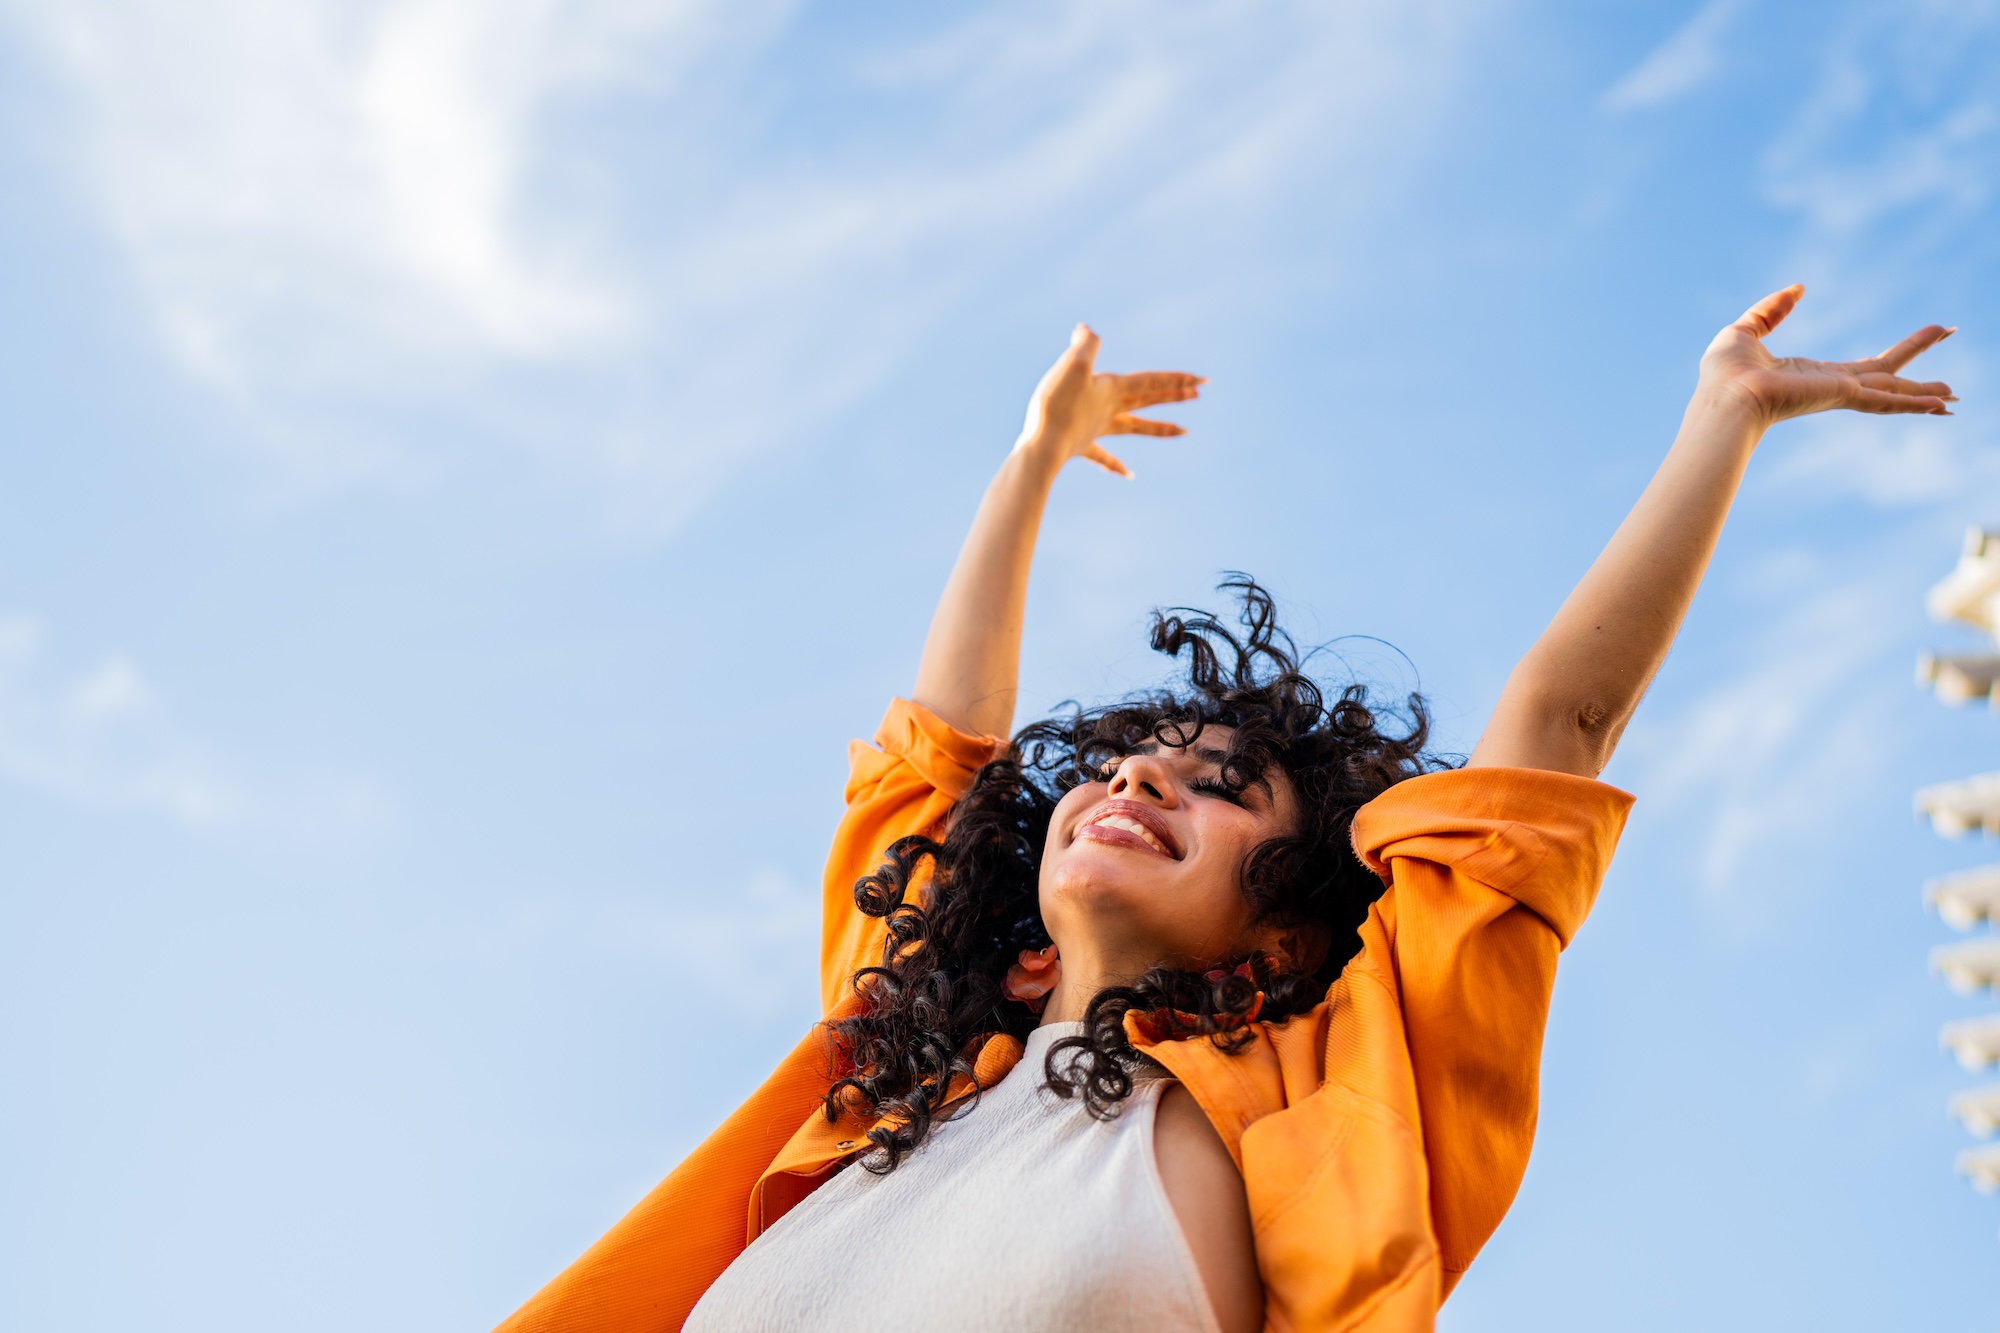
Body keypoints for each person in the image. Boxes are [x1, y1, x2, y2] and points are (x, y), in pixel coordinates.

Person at [496, 286, 1953, 1333]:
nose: (1136, 781)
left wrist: (1726, 418)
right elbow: (930, 765)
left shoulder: (1336, 1103)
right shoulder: (897, 1073)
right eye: (1126, 766)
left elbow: (1552, 742)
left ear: (1293, 900)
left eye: (1219, 786)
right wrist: (1033, 461)